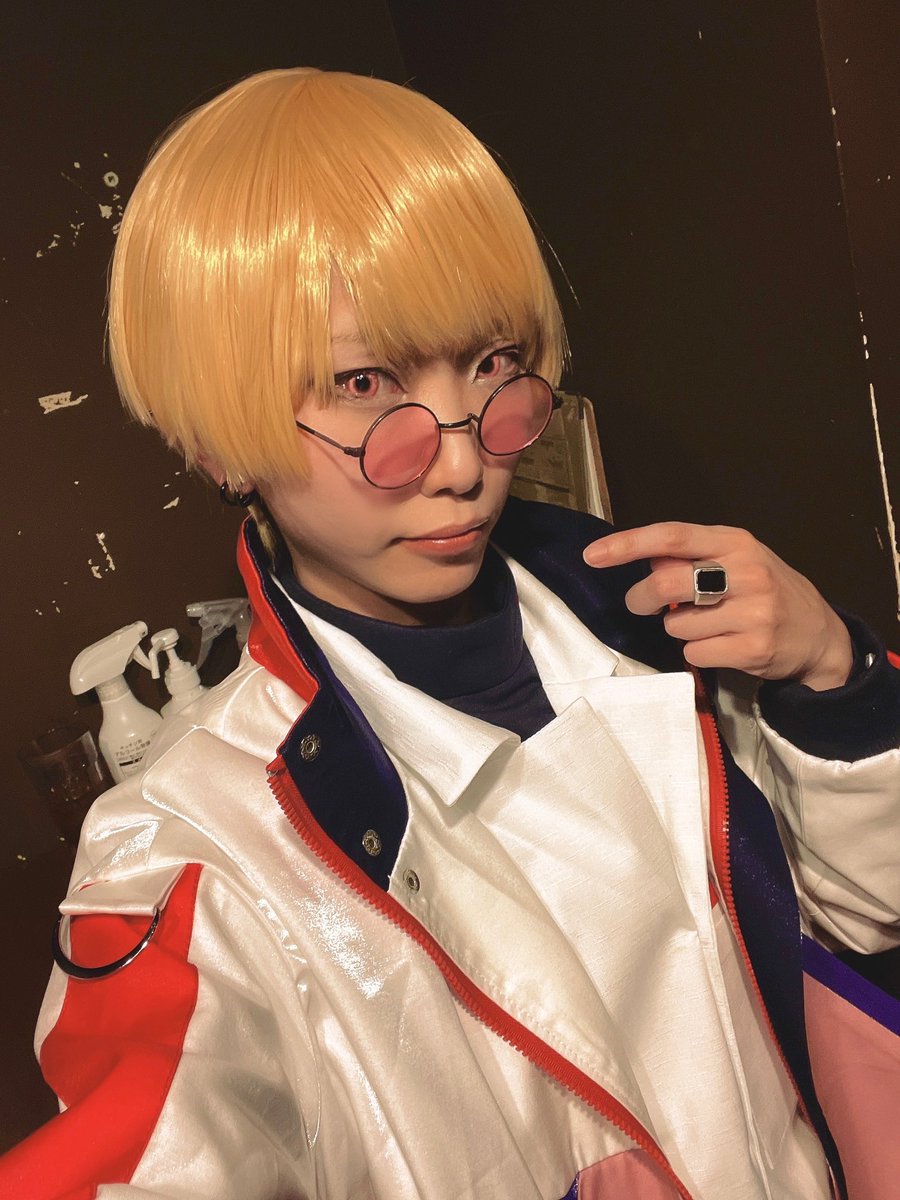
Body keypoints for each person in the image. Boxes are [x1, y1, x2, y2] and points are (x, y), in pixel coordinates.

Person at [1, 67, 898, 1200]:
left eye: (492, 365)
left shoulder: (652, 624)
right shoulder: (185, 857)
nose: (467, 460)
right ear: (216, 444)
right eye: (364, 382)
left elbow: (865, 909)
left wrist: (834, 676)